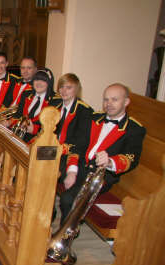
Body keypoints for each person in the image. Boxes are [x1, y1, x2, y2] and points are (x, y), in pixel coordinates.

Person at [58, 83, 146, 225]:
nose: (109, 104)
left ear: (126, 102)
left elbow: (131, 158)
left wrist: (110, 161)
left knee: (68, 199)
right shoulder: (94, 118)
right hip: (79, 167)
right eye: (106, 99)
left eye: (114, 99)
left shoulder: (135, 129)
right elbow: (78, 147)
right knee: (46, 174)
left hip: (101, 175)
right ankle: (43, 222)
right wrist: (72, 171)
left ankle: (64, 238)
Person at [10, 69, 57, 143]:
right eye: (37, 79)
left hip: (39, 141)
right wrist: (10, 122)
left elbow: (52, 128)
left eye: (43, 80)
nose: (39, 83)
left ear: (49, 83)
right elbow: (18, 114)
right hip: (20, 137)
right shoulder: (26, 94)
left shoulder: (54, 101)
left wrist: (35, 130)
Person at [50, 73, 93, 146]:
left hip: (71, 152)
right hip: (51, 147)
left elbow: (81, 141)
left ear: (76, 89)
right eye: (61, 87)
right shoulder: (54, 105)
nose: (64, 91)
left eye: (68, 88)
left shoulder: (84, 111)